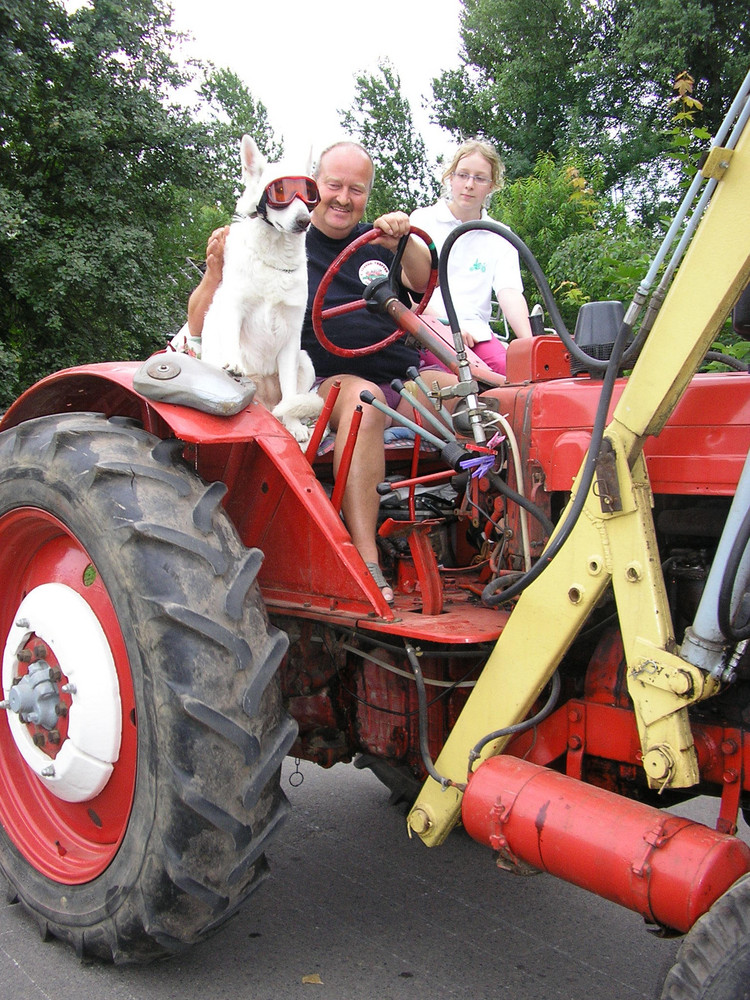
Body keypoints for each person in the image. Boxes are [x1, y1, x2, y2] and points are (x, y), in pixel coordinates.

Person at [187, 140, 458, 604]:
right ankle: (368, 561)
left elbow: (421, 275)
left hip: (403, 376)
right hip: (333, 378)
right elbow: (217, 307)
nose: (343, 197)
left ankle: (476, 537)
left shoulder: (377, 242)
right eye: (333, 185)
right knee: (364, 400)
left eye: (357, 189)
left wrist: (404, 238)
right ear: (313, 186)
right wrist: (216, 267)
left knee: (470, 396)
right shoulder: (283, 240)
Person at [409, 139, 532, 376]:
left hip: (478, 335)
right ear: (450, 177)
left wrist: (529, 343)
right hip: (429, 330)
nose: (469, 184)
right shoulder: (422, 221)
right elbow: (409, 294)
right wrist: (449, 327)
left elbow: (510, 292)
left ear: (491, 185)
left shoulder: (499, 234)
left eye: (480, 178)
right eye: (463, 175)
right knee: (474, 378)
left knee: (518, 375)